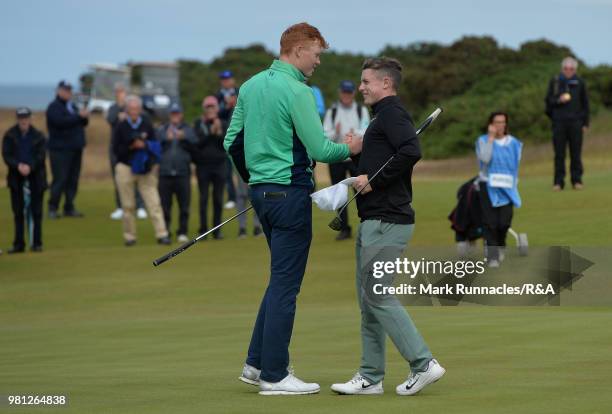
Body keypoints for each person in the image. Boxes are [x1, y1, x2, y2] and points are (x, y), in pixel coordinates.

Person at [225, 22, 362, 395]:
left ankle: (256, 364)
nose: (318, 62)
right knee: (286, 285)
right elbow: (319, 151)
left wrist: (257, 179)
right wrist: (350, 149)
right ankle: (275, 374)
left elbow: (231, 141)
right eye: (317, 54)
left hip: (262, 195)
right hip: (289, 196)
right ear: (298, 49)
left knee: (278, 280)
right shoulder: (299, 91)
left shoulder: (250, 86)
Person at [331, 57, 445, 396]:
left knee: (377, 294)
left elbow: (411, 151)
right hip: (375, 219)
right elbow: (378, 165)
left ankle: (423, 363)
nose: (362, 86)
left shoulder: (393, 114)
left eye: (366, 81)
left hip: (388, 220)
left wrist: (374, 181)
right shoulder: (380, 119)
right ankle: (370, 376)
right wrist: (356, 154)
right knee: (368, 302)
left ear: (385, 83)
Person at [112, 95, 170, 246]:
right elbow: (116, 150)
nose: (134, 112)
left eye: (136, 109)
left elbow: (154, 144)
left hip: (145, 169)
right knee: (128, 205)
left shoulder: (146, 124)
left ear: (140, 110)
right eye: (131, 109)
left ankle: (162, 234)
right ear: (126, 110)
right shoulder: (121, 126)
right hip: (125, 167)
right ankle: (129, 237)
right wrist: (131, 146)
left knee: (154, 203)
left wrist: (143, 145)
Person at [323, 80, 370, 240]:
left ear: (353, 94)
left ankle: (367, 225)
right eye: (344, 92)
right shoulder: (333, 111)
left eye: (349, 92)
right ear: (340, 92)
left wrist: (354, 133)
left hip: (356, 157)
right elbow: (325, 134)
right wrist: (335, 133)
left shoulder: (360, 110)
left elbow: (366, 129)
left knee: (362, 190)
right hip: (337, 156)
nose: (346, 95)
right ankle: (344, 228)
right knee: (339, 193)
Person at [476, 111, 522, 267]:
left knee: (504, 223)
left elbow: (515, 166)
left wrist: (515, 183)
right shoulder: (483, 141)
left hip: (507, 187)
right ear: (491, 124)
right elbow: (484, 159)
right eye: (496, 122)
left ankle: (500, 245)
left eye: (502, 122)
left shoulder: (514, 143)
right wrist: (490, 139)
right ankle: (493, 256)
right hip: (487, 185)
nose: (500, 125)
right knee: (490, 222)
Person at [2, 108, 47, 253]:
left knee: (36, 211)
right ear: (17, 119)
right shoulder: (10, 135)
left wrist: (30, 166)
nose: (24, 120)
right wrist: (18, 165)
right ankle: (19, 244)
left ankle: (37, 243)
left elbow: (41, 156)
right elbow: (6, 155)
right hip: (16, 177)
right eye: (21, 118)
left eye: (26, 117)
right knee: (18, 211)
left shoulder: (38, 136)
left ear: (30, 118)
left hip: (35, 177)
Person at [545, 56, 589, 191]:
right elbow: (548, 102)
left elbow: (585, 104)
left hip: (576, 123)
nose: (568, 71)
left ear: (575, 69)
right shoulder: (555, 82)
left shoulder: (580, 82)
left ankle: (577, 180)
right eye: (566, 68)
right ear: (562, 69)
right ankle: (558, 182)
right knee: (559, 154)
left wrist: (585, 123)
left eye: (571, 68)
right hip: (559, 123)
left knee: (576, 153)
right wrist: (559, 100)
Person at [46, 80, 88, 219]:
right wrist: (78, 116)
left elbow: (83, 123)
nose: (68, 93)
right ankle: (53, 207)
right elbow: (60, 122)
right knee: (60, 179)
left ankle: (69, 207)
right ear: (59, 91)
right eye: (65, 90)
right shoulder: (54, 107)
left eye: (70, 90)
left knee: (73, 179)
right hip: (60, 150)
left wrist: (83, 116)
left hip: (76, 148)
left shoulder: (73, 107)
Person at [106, 83, 147, 220]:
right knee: (119, 178)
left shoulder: (133, 107)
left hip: (134, 148)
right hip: (116, 149)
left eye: (122, 91)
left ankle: (140, 206)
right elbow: (110, 119)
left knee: (138, 177)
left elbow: (143, 119)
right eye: (118, 92)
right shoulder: (113, 108)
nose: (120, 94)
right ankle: (120, 207)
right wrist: (119, 108)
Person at [157, 103, 196, 243]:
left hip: (182, 172)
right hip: (165, 173)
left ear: (181, 114)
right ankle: (165, 230)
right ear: (170, 115)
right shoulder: (162, 129)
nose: (175, 116)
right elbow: (155, 145)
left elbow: (195, 143)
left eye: (177, 113)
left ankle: (182, 231)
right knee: (165, 205)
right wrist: (164, 139)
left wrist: (183, 137)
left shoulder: (187, 129)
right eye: (173, 114)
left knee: (184, 205)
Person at [193, 96, 227, 240]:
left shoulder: (224, 124)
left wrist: (218, 133)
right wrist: (210, 134)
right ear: (204, 109)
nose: (211, 110)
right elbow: (197, 144)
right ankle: (203, 229)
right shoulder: (198, 124)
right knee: (204, 198)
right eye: (208, 107)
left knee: (218, 199)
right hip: (203, 166)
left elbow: (225, 145)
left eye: (213, 107)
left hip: (220, 165)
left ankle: (216, 230)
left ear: (217, 109)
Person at [216, 70, 238, 209]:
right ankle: (232, 197)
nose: (225, 81)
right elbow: (216, 114)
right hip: (226, 138)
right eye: (223, 79)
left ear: (232, 80)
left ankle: (247, 195)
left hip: (241, 136)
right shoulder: (217, 96)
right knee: (227, 170)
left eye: (227, 78)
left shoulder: (240, 92)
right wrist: (226, 106)